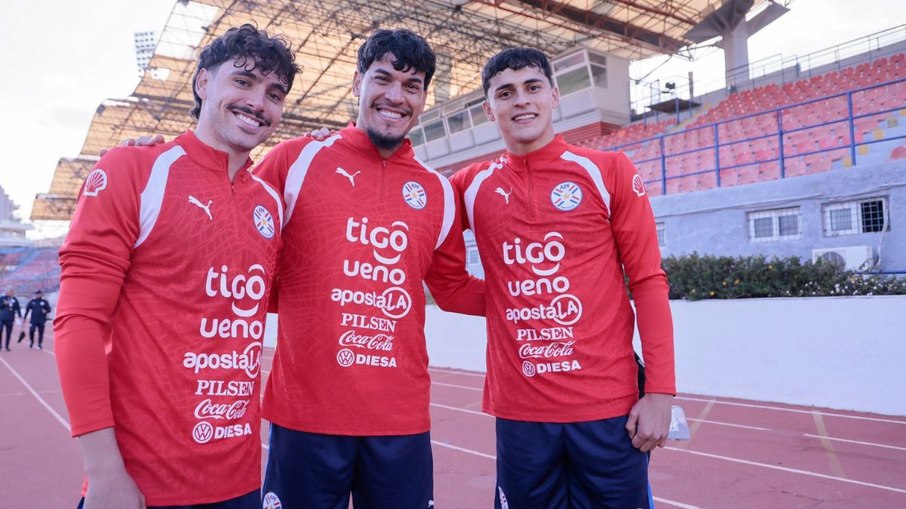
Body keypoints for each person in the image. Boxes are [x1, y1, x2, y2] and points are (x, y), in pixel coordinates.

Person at [54, 24, 298, 509]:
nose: (259, 103)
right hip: (140, 485)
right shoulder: (134, 169)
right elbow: (78, 322)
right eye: (244, 82)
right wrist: (103, 472)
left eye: (275, 93)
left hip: (241, 480)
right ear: (203, 83)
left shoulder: (270, 203)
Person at [254, 28, 484, 509]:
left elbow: (455, 289)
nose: (396, 97)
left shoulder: (439, 192)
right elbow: (235, 239)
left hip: (400, 423)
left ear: (423, 98)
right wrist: (153, 157)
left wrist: (541, 297)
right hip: (305, 417)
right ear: (358, 83)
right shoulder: (294, 160)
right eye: (383, 79)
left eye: (412, 85)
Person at [449, 47, 676, 509]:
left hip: (609, 411)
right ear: (489, 109)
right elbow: (447, 282)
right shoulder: (468, 186)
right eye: (505, 93)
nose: (522, 101)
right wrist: (511, 301)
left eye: (533, 88)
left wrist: (660, 392)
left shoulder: (608, 171)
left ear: (554, 95)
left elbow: (649, 283)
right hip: (521, 414)